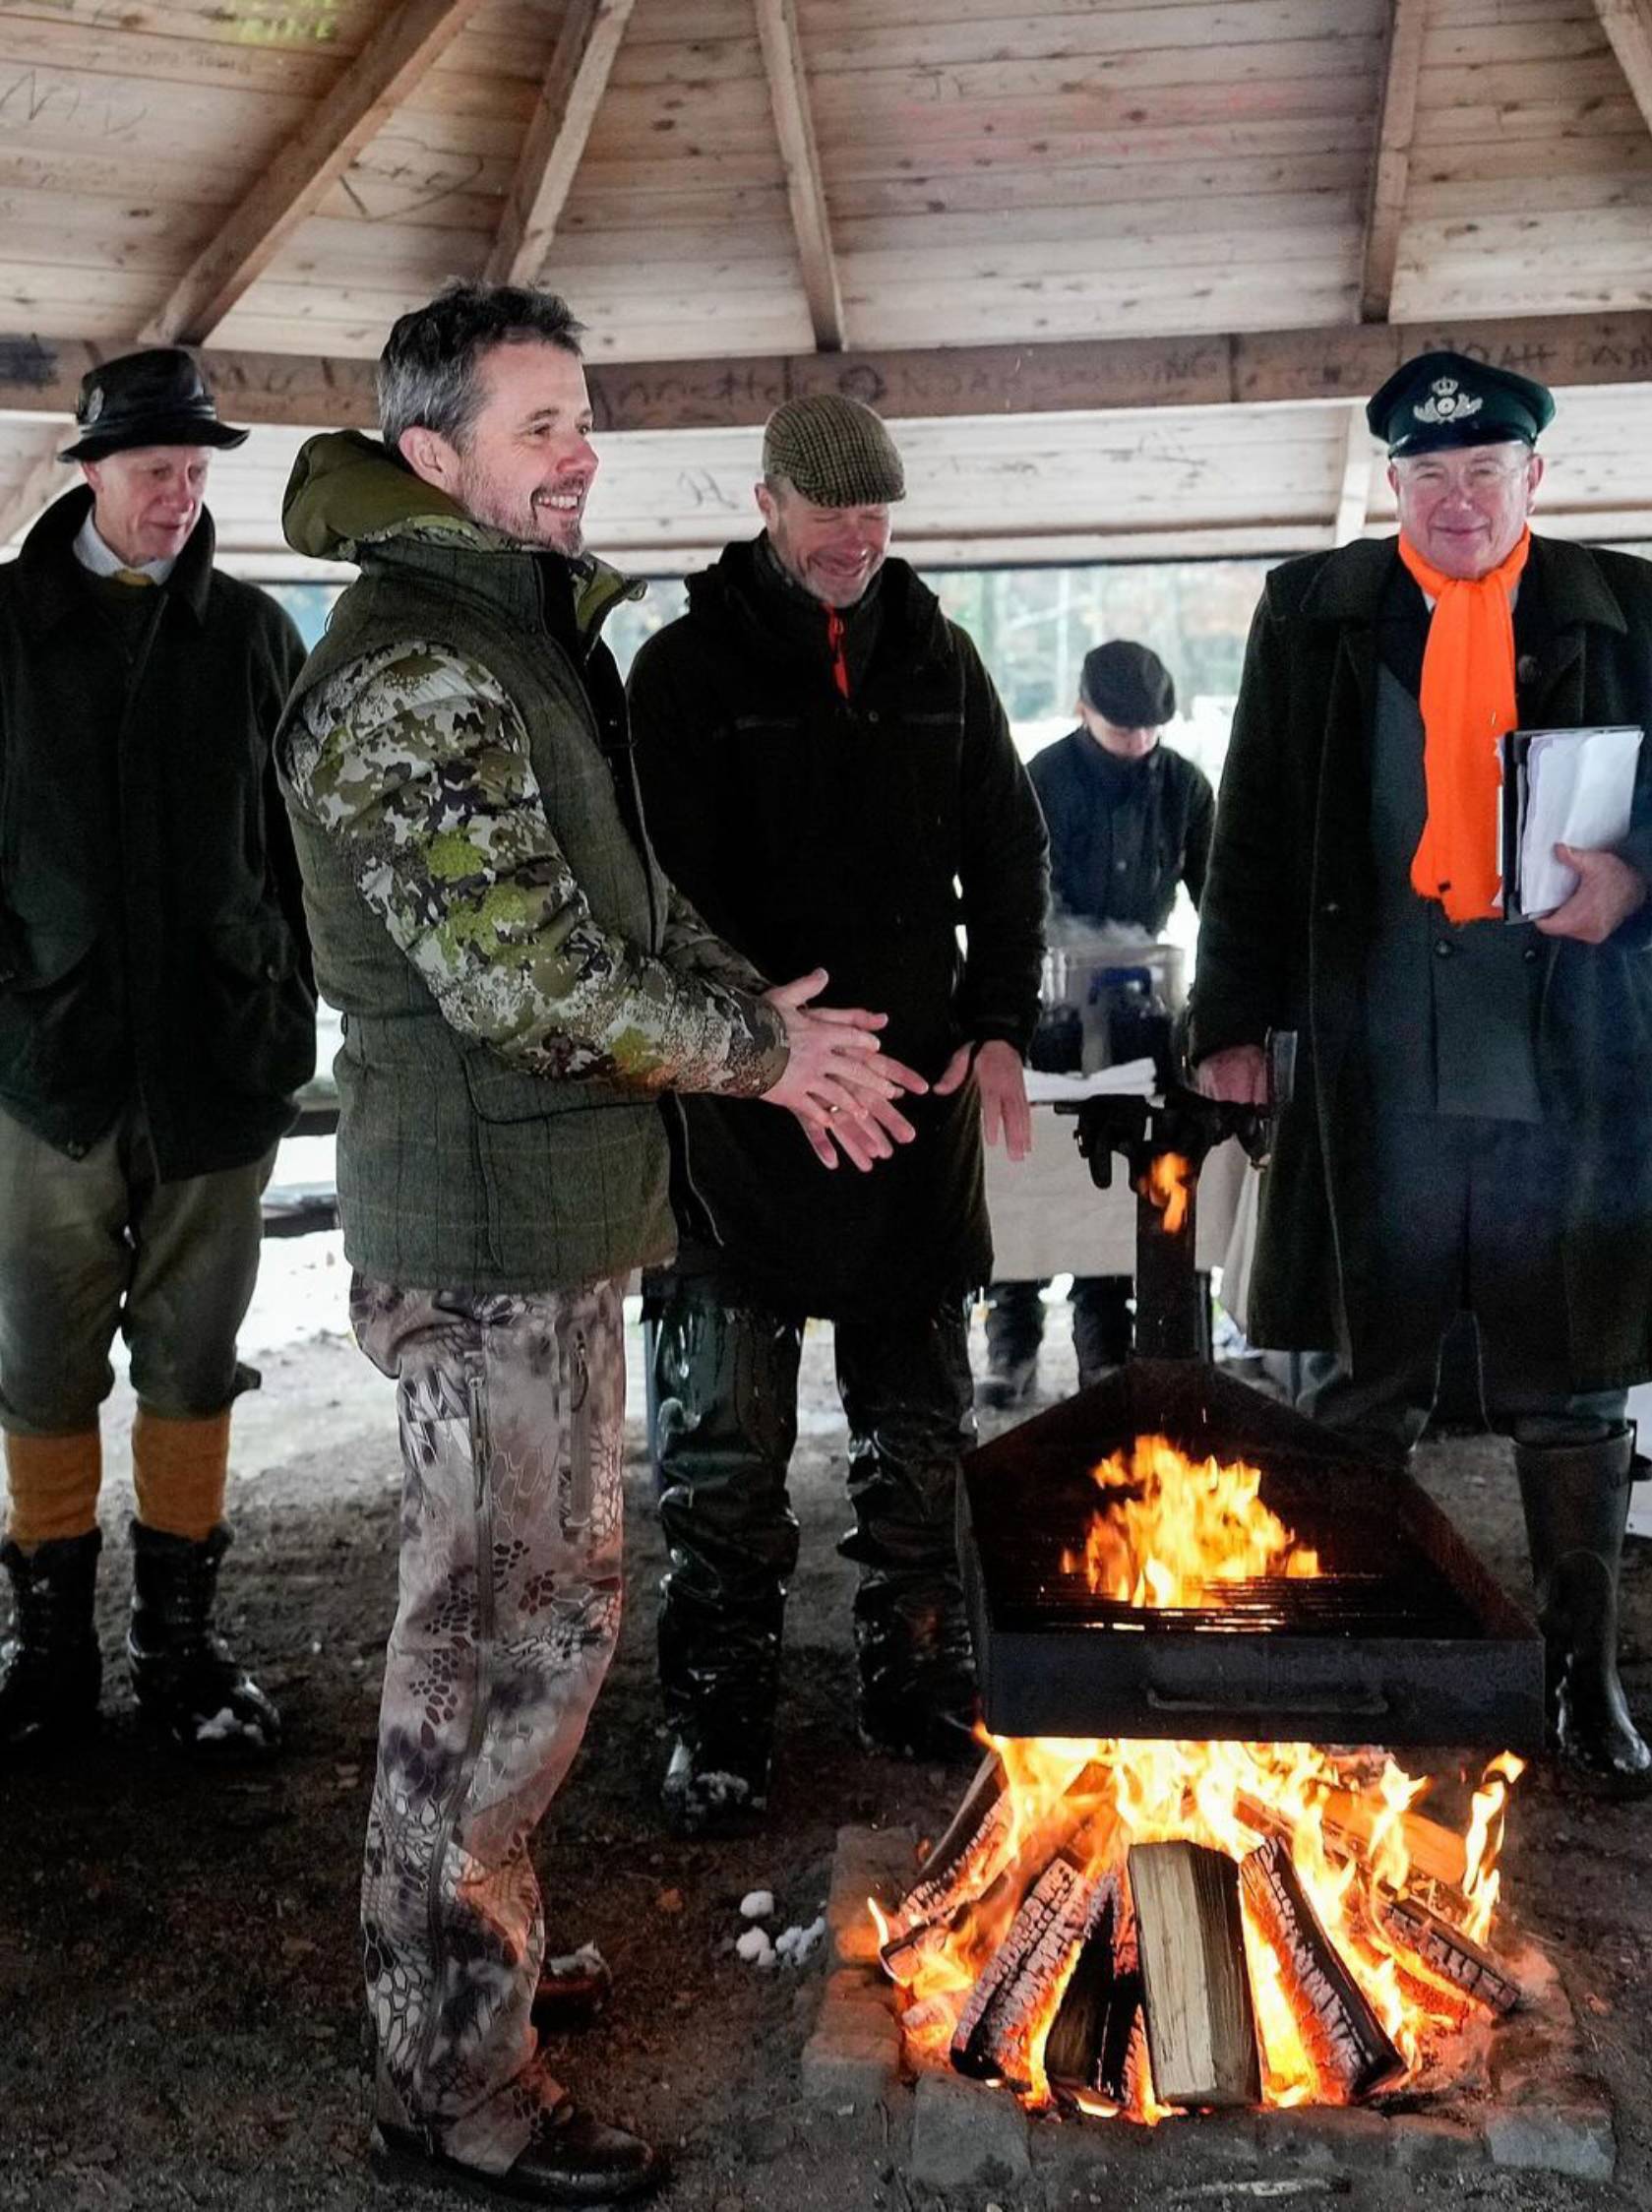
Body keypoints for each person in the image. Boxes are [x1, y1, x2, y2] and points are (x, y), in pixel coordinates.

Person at [275, 284, 920, 2208]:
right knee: (477, 1656)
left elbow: (628, 908)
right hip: (476, 1240)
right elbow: (523, 974)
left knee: (553, 1622)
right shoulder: (413, 671)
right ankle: (453, 2081)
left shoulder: (519, 642)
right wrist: (760, 1051)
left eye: (585, 419)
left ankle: (473, 1949)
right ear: (434, 457)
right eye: (541, 422)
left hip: (554, 1227)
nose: (579, 453)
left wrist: (763, 1022)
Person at [1189, 348, 1652, 1789]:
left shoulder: (1627, 605)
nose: (1455, 500)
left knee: (1576, 1389)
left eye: (1482, 473)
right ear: (1392, 485)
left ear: (1533, 481)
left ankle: (1580, 1679)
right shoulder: (1311, 613)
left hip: (1571, 1065)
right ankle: (1359, 1656)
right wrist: (1232, 1024)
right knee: (1359, 1382)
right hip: (1377, 1066)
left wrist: (1634, 882)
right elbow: (1250, 825)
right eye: (1428, 475)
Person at [627, 393, 1048, 1836]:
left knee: (919, 1428)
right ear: (766, 504)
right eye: (827, 514)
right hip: (738, 1108)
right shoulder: (682, 673)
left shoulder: (940, 656)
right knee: (723, 1445)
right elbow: (659, 898)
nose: (853, 541)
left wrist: (998, 1024)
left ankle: (914, 1670)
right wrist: (769, 1047)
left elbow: (1008, 849)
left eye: (875, 517)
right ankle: (720, 1706)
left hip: (913, 1102)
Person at [0, 348, 313, 1763]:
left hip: (213, 1061)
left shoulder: (251, 636)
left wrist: (285, 1014)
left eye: (195, 475)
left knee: (193, 1354)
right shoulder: (5, 627)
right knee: (40, 1360)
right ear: (88, 474)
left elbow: (304, 854)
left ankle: (179, 1654)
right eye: (153, 473)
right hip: (43, 1069)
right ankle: (45, 1652)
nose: (180, 498)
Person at [978, 639, 1216, 1405]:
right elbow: (1012, 898)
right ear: (1084, 711)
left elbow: (1216, 896)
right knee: (1029, 1170)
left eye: (1153, 730)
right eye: (1124, 730)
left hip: (1143, 1012)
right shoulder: (1040, 780)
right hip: (1046, 1006)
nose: (1140, 745)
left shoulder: (1184, 786)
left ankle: (1104, 1348)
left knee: (1115, 1172)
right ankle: (1010, 1344)